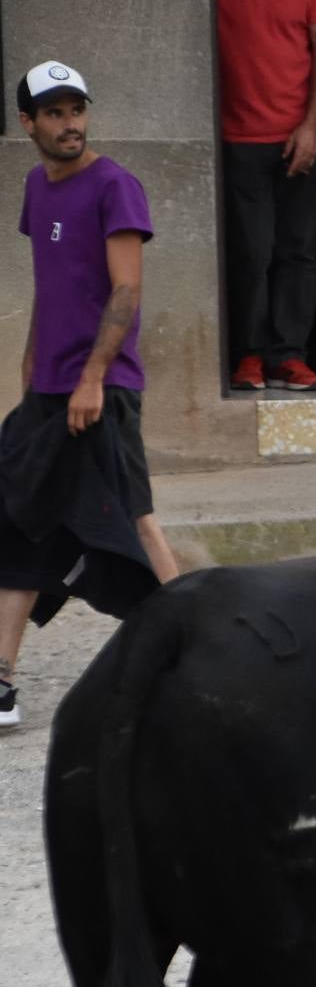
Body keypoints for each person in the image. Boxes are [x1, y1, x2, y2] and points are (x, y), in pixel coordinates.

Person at [2, 63, 179, 730]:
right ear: (28, 123)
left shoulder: (115, 185)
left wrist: (91, 377)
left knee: (133, 521)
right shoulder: (35, 187)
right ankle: (1, 684)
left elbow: (124, 291)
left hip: (101, 387)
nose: (69, 123)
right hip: (46, 390)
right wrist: (29, 370)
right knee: (14, 526)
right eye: (53, 113)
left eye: (77, 109)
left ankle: (206, 645)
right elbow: (50, 287)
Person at [216, 0, 316, 393]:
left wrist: (312, 125)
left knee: (298, 250)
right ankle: (248, 353)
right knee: (251, 250)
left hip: (303, 135)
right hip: (239, 136)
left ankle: (289, 355)